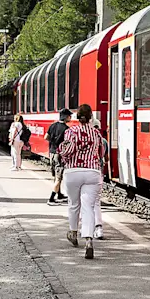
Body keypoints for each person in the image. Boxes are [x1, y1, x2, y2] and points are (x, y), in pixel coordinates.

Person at [58, 104, 106, 260]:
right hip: (92, 172)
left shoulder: (70, 132)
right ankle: (89, 241)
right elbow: (101, 153)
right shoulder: (96, 133)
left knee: (74, 204)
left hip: (73, 171)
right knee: (89, 207)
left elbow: (67, 151)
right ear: (91, 116)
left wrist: (63, 155)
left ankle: (73, 232)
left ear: (77, 117)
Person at [44, 109, 70, 204]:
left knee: (55, 175)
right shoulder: (66, 129)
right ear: (66, 117)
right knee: (59, 177)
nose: (70, 118)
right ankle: (51, 198)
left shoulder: (52, 125)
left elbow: (46, 137)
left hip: (51, 153)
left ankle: (59, 194)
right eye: (69, 116)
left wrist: (53, 142)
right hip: (59, 154)